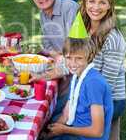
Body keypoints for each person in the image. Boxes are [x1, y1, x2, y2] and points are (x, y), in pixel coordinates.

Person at [48, 12, 113, 140]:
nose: (72, 63)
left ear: (88, 57)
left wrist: (64, 129)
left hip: (86, 137)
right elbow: (68, 109)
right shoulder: (78, 76)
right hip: (75, 127)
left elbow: (97, 131)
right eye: (69, 58)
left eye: (78, 58)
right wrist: (54, 130)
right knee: (46, 126)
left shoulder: (93, 83)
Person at [27, 0, 79, 122]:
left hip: (78, 65)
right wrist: (56, 56)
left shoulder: (69, 8)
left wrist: (62, 60)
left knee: (53, 112)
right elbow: (46, 42)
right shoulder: (43, 13)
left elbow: (76, 46)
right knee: (38, 96)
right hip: (62, 61)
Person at [80, 0, 126, 140]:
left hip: (109, 98)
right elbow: (73, 59)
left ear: (109, 6)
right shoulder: (84, 29)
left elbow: (106, 85)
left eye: (102, 2)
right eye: (92, 1)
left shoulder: (113, 39)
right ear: (85, 2)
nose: (96, 7)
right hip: (90, 91)